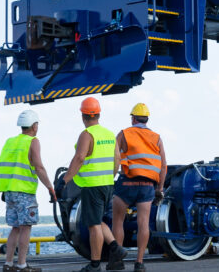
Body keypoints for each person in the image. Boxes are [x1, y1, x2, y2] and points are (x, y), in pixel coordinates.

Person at [63, 97, 125, 272]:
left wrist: (65, 179)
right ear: (98, 114)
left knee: (93, 225)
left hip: (92, 185)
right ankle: (115, 247)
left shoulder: (87, 134)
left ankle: (95, 264)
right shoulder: (109, 134)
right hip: (107, 184)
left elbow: (80, 158)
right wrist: (110, 177)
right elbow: (117, 159)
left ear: (83, 116)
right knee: (97, 220)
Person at [0, 110, 57, 272]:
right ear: (34, 126)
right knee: (26, 227)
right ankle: (22, 264)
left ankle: (8, 264)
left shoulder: (10, 142)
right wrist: (50, 188)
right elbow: (39, 167)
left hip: (9, 192)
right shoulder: (33, 141)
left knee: (15, 228)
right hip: (24, 192)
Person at [110, 103, 167, 271]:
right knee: (143, 223)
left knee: (118, 221)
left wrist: (111, 178)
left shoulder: (124, 134)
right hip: (147, 186)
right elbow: (163, 166)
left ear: (133, 118)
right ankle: (139, 263)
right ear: (147, 119)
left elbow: (114, 159)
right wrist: (160, 188)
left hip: (126, 183)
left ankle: (118, 261)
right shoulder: (157, 138)